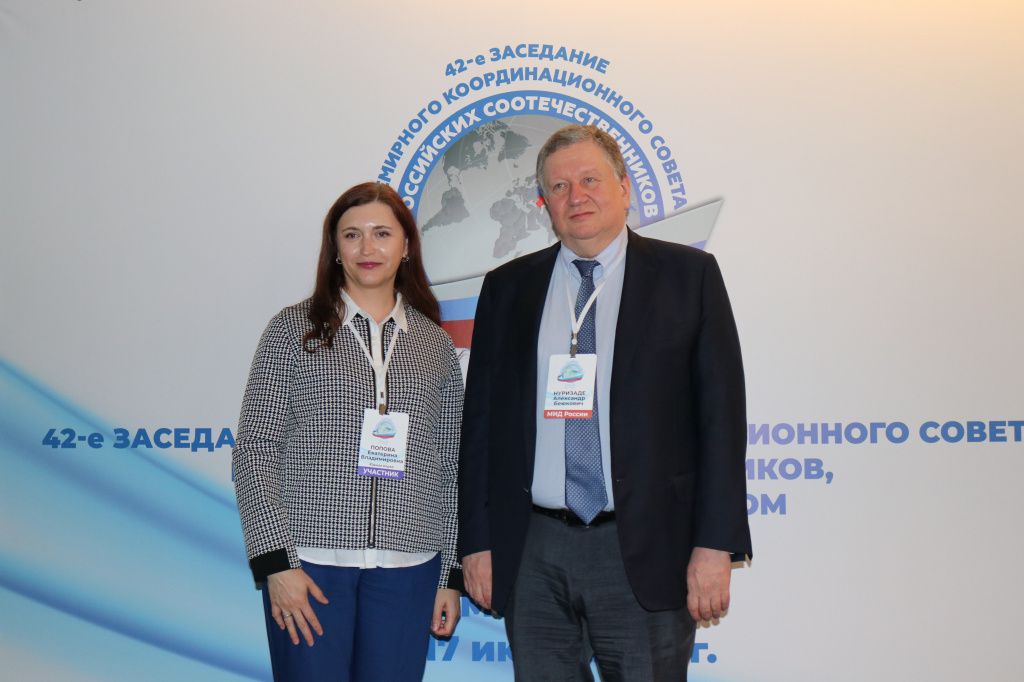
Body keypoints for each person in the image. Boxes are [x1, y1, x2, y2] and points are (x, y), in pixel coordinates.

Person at [458, 125, 752, 681]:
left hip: (646, 545)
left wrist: (715, 544)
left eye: (590, 180)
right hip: (534, 550)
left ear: (623, 187)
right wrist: (476, 543)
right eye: (560, 187)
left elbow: (722, 421)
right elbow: (481, 428)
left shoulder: (688, 277)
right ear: (545, 203)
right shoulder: (508, 288)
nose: (577, 196)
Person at [233, 182, 463, 682]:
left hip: (410, 566)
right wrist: (277, 563)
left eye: (382, 233)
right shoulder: (292, 330)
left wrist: (449, 574)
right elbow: (255, 448)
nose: (367, 248)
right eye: (352, 234)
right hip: (310, 564)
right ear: (335, 248)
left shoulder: (435, 345)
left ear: (406, 245)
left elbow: (451, 466)